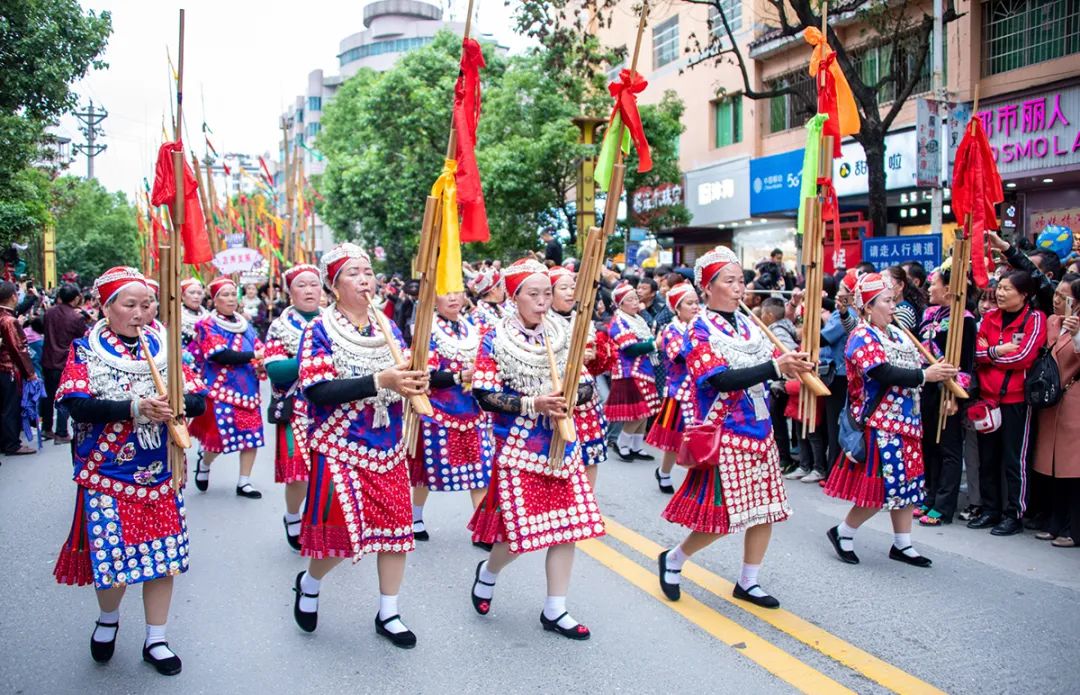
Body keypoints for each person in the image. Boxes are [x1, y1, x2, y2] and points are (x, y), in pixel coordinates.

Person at [52, 266, 206, 675]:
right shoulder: (86, 350)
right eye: (130, 305)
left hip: (161, 472)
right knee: (113, 558)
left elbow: (199, 399)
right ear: (106, 308)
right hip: (108, 473)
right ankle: (108, 618)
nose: (141, 313)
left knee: (165, 557)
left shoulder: (166, 345)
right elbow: (76, 405)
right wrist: (134, 407)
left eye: (148, 304)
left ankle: (157, 638)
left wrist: (176, 402)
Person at [657, 246, 815, 609]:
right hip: (726, 432)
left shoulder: (749, 324)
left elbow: (768, 365)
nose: (739, 287)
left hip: (761, 429)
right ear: (707, 288)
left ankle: (749, 580)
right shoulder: (698, 330)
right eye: (729, 281)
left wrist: (793, 365)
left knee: (766, 509)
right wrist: (775, 368)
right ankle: (675, 558)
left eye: (741, 280)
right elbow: (719, 380)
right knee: (724, 516)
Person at [291, 243, 428, 648]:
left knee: (396, 531)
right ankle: (310, 582)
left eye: (367, 271)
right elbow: (317, 390)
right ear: (334, 286)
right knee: (345, 534)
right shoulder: (319, 330)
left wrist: (414, 379)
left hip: (387, 444)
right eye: (353, 273)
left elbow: (404, 371)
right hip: (340, 444)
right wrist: (379, 381)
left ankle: (390, 612)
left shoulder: (388, 327)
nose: (364, 279)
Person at [468, 258, 605, 639]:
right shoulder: (494, 338)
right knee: (519, 533)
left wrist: (570, 397)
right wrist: (534, 403)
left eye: (547, 293)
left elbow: (587, 384)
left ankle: (555, 608)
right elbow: (484, 394)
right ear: (514, 297)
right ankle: (489, 572)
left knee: (567, 527)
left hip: (562, 444)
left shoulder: (564, 333)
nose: (543, 301)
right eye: (533, 294)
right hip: (517, 447)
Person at [824, 273, 957, 568]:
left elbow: (916, 363)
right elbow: (881, 372)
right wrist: (924, 375)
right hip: (880, 423)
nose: (893, 306)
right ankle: (844, 531)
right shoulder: (862, 336)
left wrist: (937, 367)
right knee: (884, 486)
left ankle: (902, 543)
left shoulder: (898, 333)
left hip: (907, 421)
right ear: (868, 307)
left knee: (908, 484)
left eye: (893, 300)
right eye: (886, 301)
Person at [408, 289, 493, 544]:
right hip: (437, 412)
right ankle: (415, 517)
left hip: (473, 409)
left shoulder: (473, 327)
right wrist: (459, 376)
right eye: (446, 293)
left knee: (481, 471)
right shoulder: (427, 329)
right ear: (434, 298)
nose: (453, 298)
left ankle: (482, 528)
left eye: (457, 292)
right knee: (425, 470)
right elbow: (425, 374)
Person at [968, 270, 1047, 536]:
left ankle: (1014, 514)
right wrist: (996, 352)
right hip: (987, 400)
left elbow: (1024, 357)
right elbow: (975, 353)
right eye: (999, 288)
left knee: (1015, 459)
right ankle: (990, 510)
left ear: (1024, 295)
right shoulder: (990, 318)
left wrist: (990, 355)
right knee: (987, 458)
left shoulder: (1035, 319)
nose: (1000, 293)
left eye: (1006, 289)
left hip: (1017, 400)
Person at [189, 277, 266, 499]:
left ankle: (244, 482)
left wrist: (262, 362)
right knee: (219, 440)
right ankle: (205, 464)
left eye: (233, 294)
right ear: (214, 300)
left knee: (252, 437)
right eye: (225, 295)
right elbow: (220, 355)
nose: (231, 299)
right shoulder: (207, 325)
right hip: (221, 390)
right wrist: (254, 355)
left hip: (248, 389)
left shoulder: (245, 323)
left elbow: (258, 346)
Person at [263, 264, 321, 550]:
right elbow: (276, 371)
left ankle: (320, 521)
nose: (309, 290)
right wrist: (315, 361)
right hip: (297, 408)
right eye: (301, 285)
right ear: (290, 292)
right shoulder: (280, 326)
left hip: (330, 408)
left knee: (327, 472)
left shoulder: (336, 321)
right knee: (299, 473)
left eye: (314, 284)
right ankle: (293, 515)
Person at [915, 264, 977, 526]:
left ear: (949, 289)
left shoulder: (965, 319)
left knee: (948, 447)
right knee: (929, 444)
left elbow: (966, 362)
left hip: (949, 388)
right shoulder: (930, 313)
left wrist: (954, 394)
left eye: (934, 284)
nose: (929, 288)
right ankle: (929, 496)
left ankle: (943, 505)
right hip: (928, 386)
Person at [548, 265, 607, 488]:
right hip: (557, 394)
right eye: (563, 288)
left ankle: (588, 500)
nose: (570, 292)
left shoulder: (582, 318)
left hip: (586, 395)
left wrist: (595, 355)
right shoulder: (542, 322)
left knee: (590, 454)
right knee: (559, 456)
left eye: (573, 287)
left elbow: (597, 360)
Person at [1033, 274, 1080, 547]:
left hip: (1073, 402)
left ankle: (1073, 529)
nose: (1057, 299)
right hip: (1051, 401)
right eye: (1057, 293)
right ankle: (1054, 522)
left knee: (1072, 469)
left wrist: (1076, 335)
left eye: (1065, 296)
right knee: (1052, 467)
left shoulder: (1075, 327)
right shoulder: (1052, 321)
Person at [645, 283, 698, 494]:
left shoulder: (701, 326)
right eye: (689, 303)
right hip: (679, 393)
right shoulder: (671, 330)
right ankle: (664, 472)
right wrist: (700, 339)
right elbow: (679, 355)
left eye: (697, 302)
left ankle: (695, 481)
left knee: (698, 438)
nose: (695, 307)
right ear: (677, 308)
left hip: (701, 392)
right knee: (675, 439)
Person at [605, 282, 661, 461]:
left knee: (646, 410)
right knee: (639, 411)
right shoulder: (618, 322)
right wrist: (654, 344)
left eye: (636, 298)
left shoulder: (638, 319)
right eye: (629, 300)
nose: (635, 302)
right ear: (620, 304)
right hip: (629, 372)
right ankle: (622, 443)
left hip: (644, 369)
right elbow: (630, 348)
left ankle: (636, 446)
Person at [820, 272, 859, 472]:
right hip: (840, 373)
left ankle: (834, 471)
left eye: (843, 289)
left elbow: (824, 338)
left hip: (840, 374)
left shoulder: (848, 314)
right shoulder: (844, 311)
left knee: (836, 423)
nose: (838, 292)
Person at [42, 283, 88, 445]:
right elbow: (84, 336)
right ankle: (61, 432)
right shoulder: (76, 317)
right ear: (75, 299)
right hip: (65, 361)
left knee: (49, 396)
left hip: (49, 359)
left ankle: (47, 427)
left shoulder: (49, 313)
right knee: (63, 396)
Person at [0, 281, 37, 455]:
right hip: (7, 368)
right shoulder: (9, 320)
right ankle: (12, 444)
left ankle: (5, 442)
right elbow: (18, 349)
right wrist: (30, 373)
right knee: (10, 407)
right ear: (13, 297)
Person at [468, 268, 506, 335]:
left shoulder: (499, 308)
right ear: (494, 289)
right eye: (502, 286)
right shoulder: (478, 316)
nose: (504, 290)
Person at [178, 278, 208, 352]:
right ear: (183, 296)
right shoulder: (175, 315)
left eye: (199, 293)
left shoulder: (208, 316)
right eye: (192, 293)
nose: (196, 296)